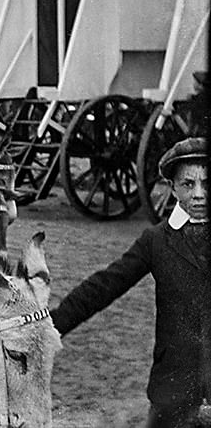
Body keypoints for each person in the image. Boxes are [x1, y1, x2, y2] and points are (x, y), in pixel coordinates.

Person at [51, 137, 210, 428]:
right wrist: (51, 325)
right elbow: (106, 285)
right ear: (172, 188)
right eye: (188, 184)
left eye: (207, 184)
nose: (199, 194)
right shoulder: (157, 240)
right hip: (173, 386)